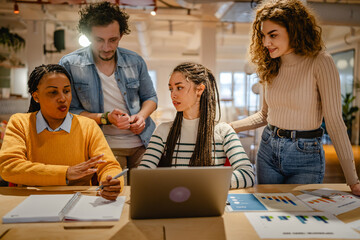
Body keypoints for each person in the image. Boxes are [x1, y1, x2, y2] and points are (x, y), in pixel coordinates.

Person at [230, 0, 360, 194]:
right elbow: (264, 115)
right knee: (269, 216)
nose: (266, 43)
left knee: (302, 217)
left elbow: (334, 122)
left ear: (295, 30)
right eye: (263, 36)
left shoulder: (320, 61)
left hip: (306, 155)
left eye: (273, 35)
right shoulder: (270, 65)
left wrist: (353, 180)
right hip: (268, 149)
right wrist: (228, 127)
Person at [59, 2, 158, 178]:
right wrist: (105, 118)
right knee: (115, 196)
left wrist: (141, 117)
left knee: (147, 195)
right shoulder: (70, 64)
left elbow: (150, 97)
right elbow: (69, 112)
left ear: (121, 35)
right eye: (99, 40)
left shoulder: (135, 61)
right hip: (103, 145)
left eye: (113, 40)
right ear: (88, 35)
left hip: (143, 142)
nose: (106, 48)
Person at [0, 64, 123, 200]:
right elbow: (9, 167)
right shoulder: (20, 123)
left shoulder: (88, 126)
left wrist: (111, 181)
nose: (62, 98)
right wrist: (65, 173)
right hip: (29, 200)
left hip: (79, 200)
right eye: (53, 92)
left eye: (66, 91)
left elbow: (109, 165)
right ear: (36, 96)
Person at [138, 63, 255, 189]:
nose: (173, 95)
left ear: (199, 89)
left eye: (179, 88)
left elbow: (247, 174)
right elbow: (143, 174)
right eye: (171, 89)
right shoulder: (163, 130)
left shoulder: (223, 131)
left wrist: (202, 183)